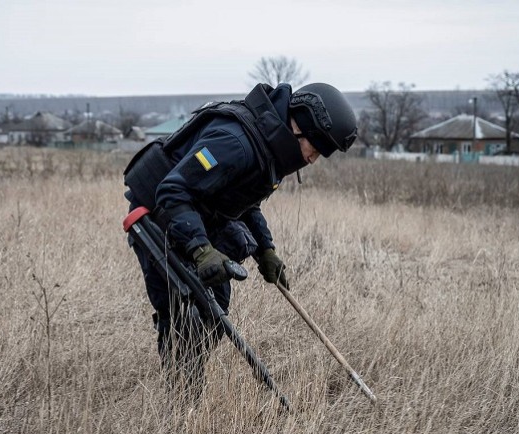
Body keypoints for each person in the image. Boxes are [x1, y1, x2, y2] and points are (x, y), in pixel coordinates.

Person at [123, 82, 357, 401]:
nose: (312, 160)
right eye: (314, 150)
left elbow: (245, 201)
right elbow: (173, 191)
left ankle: (183, 387)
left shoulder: (267, 148)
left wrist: (266, 250)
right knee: (189, 312)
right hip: (155, 213)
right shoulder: (235, 143)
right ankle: (179, 403)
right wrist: (202, 251)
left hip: (193, 214)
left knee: (214, 308)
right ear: (298, 127)